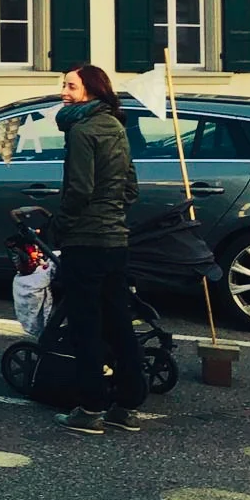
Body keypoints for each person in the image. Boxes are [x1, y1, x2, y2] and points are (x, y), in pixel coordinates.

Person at [51, 64, 144, 436]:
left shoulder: (82, 130)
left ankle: (90, 406)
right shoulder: (117, 128)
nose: (64, 91)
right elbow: (131, 187)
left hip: (86, 240)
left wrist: (61, 224)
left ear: (89, 91)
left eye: (71, 86)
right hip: (115, 239)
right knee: (119, 321)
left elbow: (79, 189)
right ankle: (127, 403)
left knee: (86, 325)